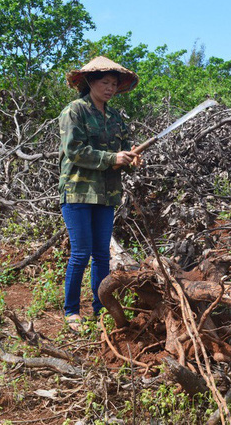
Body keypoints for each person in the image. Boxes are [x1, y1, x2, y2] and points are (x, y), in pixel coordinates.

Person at [58, 56, 141, 332]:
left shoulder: (116, 117)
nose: (110, 88)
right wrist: (112, 158)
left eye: (114, 84)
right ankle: (71, 311)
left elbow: (125, 149)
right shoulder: (74, 111)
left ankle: (100, 307)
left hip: (106, 195)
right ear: (90, 82)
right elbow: (75, 151)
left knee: (102, 255)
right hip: (78, 192)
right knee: (80, 253)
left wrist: (132, 157)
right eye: (104, 82)